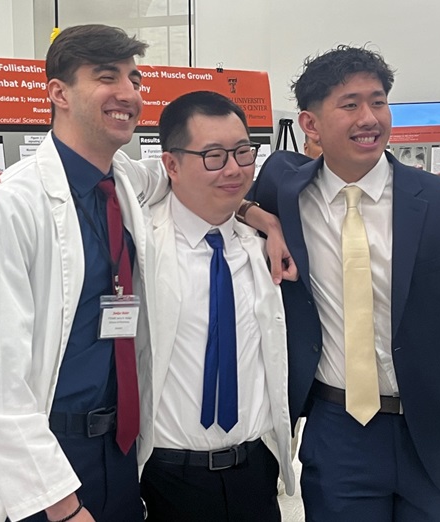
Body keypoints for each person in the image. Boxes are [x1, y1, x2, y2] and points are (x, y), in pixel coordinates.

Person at [250, 46, 440, 520]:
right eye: (349, 104)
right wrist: (261, 219)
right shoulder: (287, 192)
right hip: (338, 430)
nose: (369, 118)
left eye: (378, 101)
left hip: (435, 428)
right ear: (309, 125)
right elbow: (209, 191)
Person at [0, 25, 165, 522]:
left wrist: (257, 213)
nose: (128, 93)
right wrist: (63, 509)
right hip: (41, 465)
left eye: (134, 79)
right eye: (107, 77)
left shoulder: (127, 181)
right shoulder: (4, 206)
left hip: (121, 452)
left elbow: (203, 178)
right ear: (57, 92)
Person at [135, 91, 293, 521]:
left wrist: (263, 217)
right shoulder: (140, 243)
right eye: (213, 156)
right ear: (170, 165)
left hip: (254, 473)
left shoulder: (261, 247)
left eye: (243, 152)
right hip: (166, 479)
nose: (234, 169)